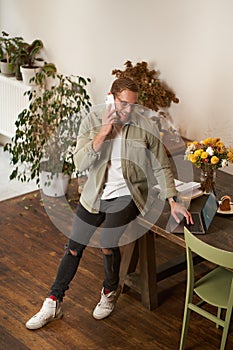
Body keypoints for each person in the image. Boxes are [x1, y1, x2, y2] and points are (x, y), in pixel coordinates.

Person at [26, 77, 193, 330]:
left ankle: (109, 290)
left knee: (107, 242)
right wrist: (104, 131)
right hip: (94, 195)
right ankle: (53, 301)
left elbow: (161, 165)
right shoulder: (92, 122)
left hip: (128, 194)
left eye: (132, 105)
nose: (127, 110)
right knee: (73, 248)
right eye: (123, 104)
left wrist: (172, 201)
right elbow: (80, 164)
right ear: (110, 98)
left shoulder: (144, 124)